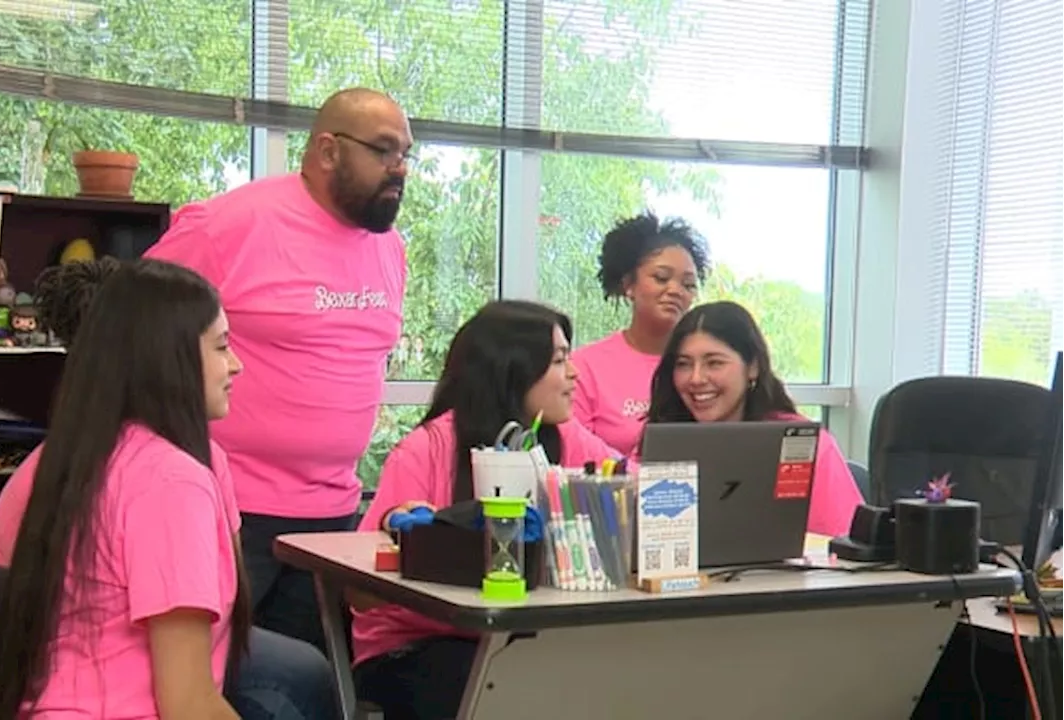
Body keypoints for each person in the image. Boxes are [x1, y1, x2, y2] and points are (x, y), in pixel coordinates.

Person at [0, 259, 337, 720]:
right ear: (168, 358)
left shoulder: (52, 461)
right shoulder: (172, 482)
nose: (236, 364)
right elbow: (188, 706)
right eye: (221, 346)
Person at [143, 87, 412, 652]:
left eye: (407, 154)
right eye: (384, 151)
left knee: (307, 688)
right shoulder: (231, 224)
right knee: (209, 683)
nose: (400, 168)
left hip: (336, 514)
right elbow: (132, 323)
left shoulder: (390, 249)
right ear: (328, 151)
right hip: (231, 509)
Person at [350, 300, 619, 720]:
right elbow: (360, 589)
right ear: (512, 370)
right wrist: (420, 538)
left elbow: (627, 478)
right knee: (491, 687)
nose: (574, 373)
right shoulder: (425, 450)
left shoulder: (565, 438)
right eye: (559, 360)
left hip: (521, 639)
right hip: (417, 646)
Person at [641, 300, 863, 537]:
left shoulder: (804, 443)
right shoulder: (664, 440)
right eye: (683, 364)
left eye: (714, 363)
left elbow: (845, 546)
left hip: (791, 574)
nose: (696, 378)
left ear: (753, 367)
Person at [571, 211, 711, 455]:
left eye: (688, 285)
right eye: (661, 278)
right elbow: (574, 455)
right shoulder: (585, 367)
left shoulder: (706, 365)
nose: (675, 290)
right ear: (628, 285)